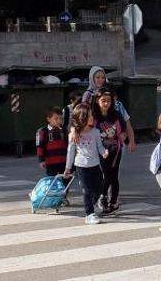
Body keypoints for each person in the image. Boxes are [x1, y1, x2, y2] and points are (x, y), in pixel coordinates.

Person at [63, 103, 108, 225]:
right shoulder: (74, 134)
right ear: (82, 118)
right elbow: (70, 151)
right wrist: (68, 167)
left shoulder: (95, 132)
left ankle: (92, 203)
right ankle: (89, 214)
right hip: (81, 166)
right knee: (87, 191)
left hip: (95, 165)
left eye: (92, 116)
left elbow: (100, 147)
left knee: (98, 188)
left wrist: (104, 152)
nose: (92, 118)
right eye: (89, 116)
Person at [91, 85, 131, 214]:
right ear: (97, 100)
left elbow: (124, 128)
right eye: (103, 100)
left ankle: (113, 201)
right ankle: (101, 196)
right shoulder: (93, 117)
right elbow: (83, 128)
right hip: (100, 151)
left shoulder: (116, 114)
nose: (106, 103)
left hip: (115, 149)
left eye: (108, 101)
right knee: (106, 174)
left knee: (113, 175)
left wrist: (125, 136)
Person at [82, 66, 136, 153]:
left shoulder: (117, 103)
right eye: (97, 77)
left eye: (103, 77)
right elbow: (82, 117)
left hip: (115, 142)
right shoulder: (88, 95)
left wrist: (130, 139)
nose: (101, 80)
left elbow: (126, 122)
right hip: (95, 143)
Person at [35, 106, 67, 177]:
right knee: (52, 181)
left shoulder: (64, 130)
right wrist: (41, 160)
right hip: (50, 163)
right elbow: (40, 147)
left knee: (65, 182)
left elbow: (68, 145)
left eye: (61, 118)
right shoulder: (43, 131)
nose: (59, 121)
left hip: (64, 161)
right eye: (56, 119)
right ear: (48, 119)